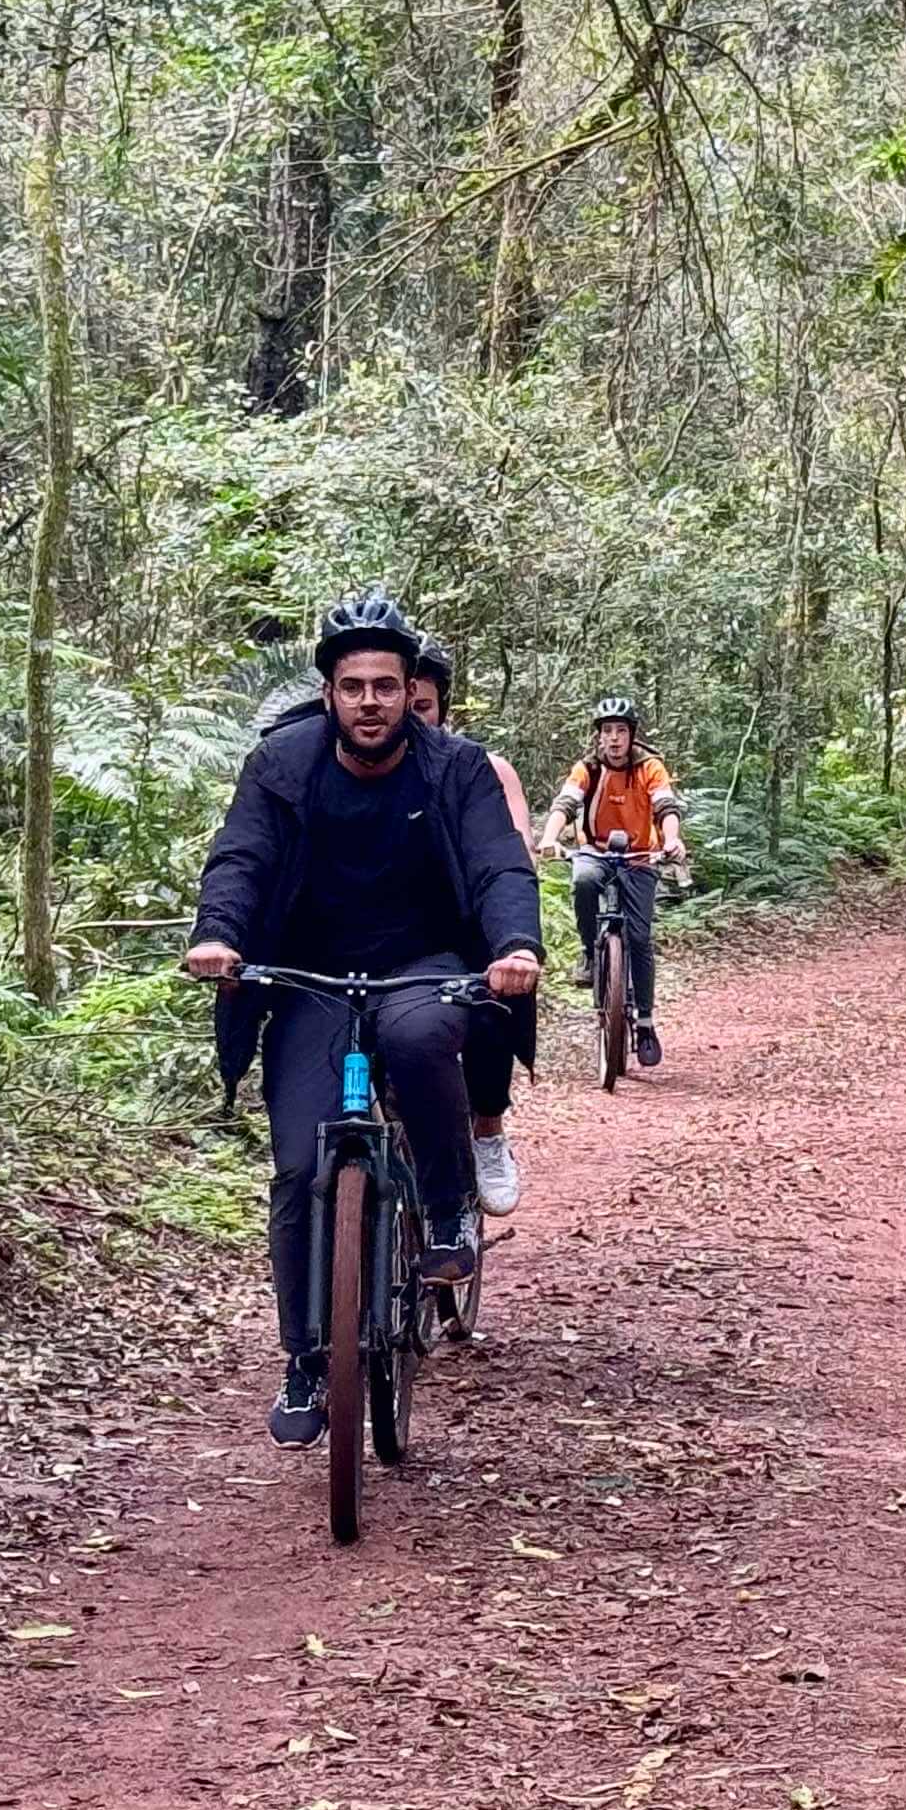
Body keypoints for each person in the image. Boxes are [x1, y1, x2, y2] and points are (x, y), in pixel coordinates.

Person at [186, 592, 540, 1447]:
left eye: (388, 685)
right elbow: (242, 856)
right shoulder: (282, 764)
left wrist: (516, 944)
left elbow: (498, 865)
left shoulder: (455, 768)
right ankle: (307, 1362)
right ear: (330, 692)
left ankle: (449, 1208)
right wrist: (219, 935)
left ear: (410, 688)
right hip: (309, 975)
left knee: (421, 1039)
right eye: (355, 687)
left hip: (420, 964)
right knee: (298, 1161)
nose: (373, 702)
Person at [409, 642, 535, 1219]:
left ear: (443, 710)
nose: (408, 715)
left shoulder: (479, 767)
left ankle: (487, 1129)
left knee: (497, 994)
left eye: (423, 704)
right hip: (396, 936)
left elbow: (513, 853)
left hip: (470, 923)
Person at [536, 695, 684, 1069]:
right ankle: (589, 951)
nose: (614, 739)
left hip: (640, 856)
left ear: (632, 735)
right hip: (596, 852)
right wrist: (550, 838)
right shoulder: (588, 768)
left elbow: (666, 807)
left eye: (621, 731)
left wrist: (671, 840)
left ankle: (646, 1020)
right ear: (598, 737)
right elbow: (565, 804)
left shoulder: (650, 767)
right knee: (584, 880)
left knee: (639, 937)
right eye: (607, 732)